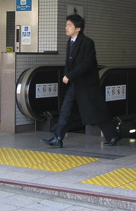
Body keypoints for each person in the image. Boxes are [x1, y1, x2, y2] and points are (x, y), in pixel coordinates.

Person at [43, 14, 121, 148]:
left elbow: (88, 64)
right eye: (66, 25)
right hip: (74, 84)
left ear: (78, 28)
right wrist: (67, 77)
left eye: (69, 25)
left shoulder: (87, 42)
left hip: (86, 84)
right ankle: (58, 137)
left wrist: (70, 75)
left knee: (96, 111)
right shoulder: (70, 42)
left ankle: (113, 135)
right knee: (66, 110)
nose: (66, 27)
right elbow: (69, 63)